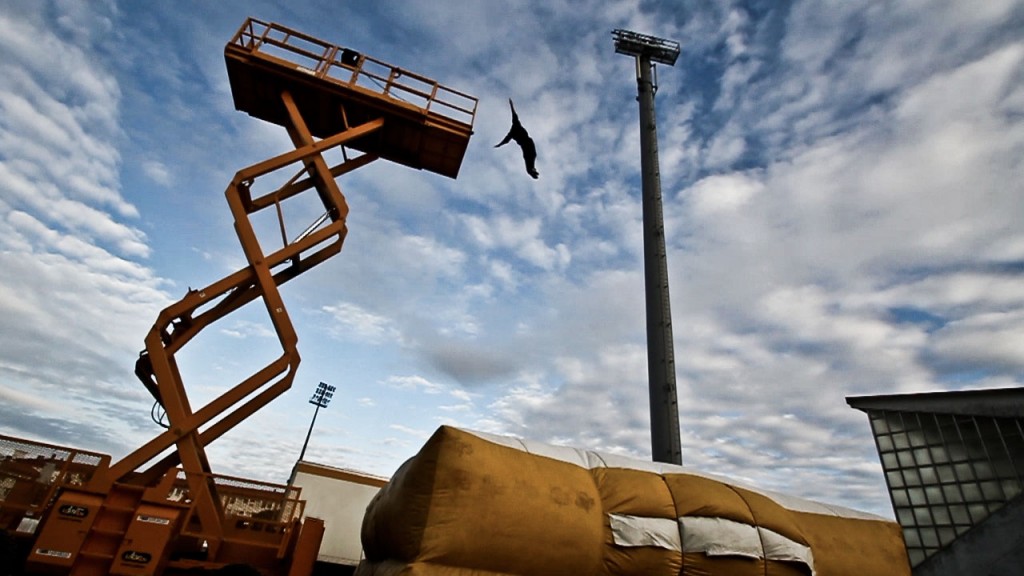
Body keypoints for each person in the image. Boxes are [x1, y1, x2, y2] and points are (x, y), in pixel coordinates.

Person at [495, 99, 539, 179]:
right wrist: (499, 145)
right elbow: (514, 114)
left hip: (526, 144)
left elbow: (505, 141)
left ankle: (531, 170)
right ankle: (532, 170)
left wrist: (499, 145)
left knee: (530, 157)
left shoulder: (513, 131)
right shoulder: (514, 129)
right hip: (528, 143)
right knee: (531, 156)